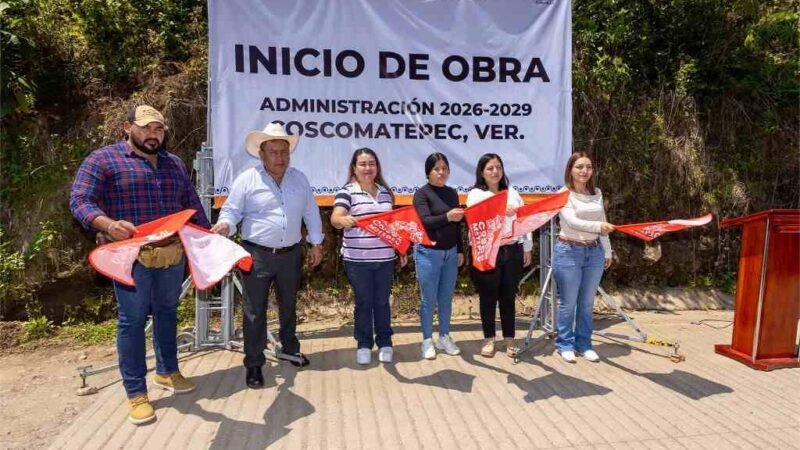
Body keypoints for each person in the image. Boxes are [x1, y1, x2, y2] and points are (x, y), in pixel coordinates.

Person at [70, 105, 211, 425]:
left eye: (159, 129)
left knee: (168, 313)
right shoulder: (103, 160)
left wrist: (207, 238)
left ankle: (167, 371)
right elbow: (80, 200)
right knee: (132, 322)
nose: (153, 135)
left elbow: (191, 207)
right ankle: (136, 392)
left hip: (170, 256)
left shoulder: (173, 163)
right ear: (128, 127)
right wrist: (106, 224)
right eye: (146, 128)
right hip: (130, 257)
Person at [211, 121, 323, 389]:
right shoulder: (246, 180)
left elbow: (311, 212)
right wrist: (225, 224)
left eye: (284, 152)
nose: (280, 158)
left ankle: (289, 349)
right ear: (261, 154)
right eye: (273, 152)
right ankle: (254, 364)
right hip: (257, 255)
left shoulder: (300, 178)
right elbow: (231, 211)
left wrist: (316, 243)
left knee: (289, 305)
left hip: (291, 255)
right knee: (254, 312)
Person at [331, 148, 407, 365]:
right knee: (364, 302)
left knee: (382, 302)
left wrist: (400, 249)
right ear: (354, 168)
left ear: (377, 167)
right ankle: (364, 344)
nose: (367, 168)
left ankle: (385, 342)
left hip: (384, 259)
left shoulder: (385, 193)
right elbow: (336, 217)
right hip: (357, 261)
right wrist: (342, 220)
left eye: (371, 164)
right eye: (363, 164)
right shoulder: (347, 192)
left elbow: (392, 226)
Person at [466, 153, 532, 358]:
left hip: (512, 249)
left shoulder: (512, 192)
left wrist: (527, 246)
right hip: (487, 251)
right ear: (482, 172)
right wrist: (503, 211)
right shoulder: (476, 194)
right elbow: (479, 217)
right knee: (488, 297)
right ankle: (488, 339)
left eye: (498, 167)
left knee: (508, 296)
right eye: (490, 168)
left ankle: (510, 339)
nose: (495, 172)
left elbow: (524, 219)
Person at [553, 151, 614, 363]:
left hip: (594, 252)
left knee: (587, 303)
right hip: (569, 251)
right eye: (579, 166)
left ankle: (584, 343)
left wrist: (607, 250)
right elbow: (571, 221)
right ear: (570, 169)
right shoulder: (563, 193)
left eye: (588, 167)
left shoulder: (597, 192)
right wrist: (598, 226)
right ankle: (565, 344)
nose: (584, 171)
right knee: (568, 303)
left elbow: (603, 220)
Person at [412, 152, 464, 359]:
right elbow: (424, 222)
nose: (441, 172)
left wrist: (460, 249)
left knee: (445, 298)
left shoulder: (452, 193)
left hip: (450, 253)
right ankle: (426, 340)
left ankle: (444, 336)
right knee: (428, 299)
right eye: (437, 169)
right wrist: (447, 216)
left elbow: (457, 225)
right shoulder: (421, 194)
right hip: (428, 253)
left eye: (444, 168)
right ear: (428, 172)